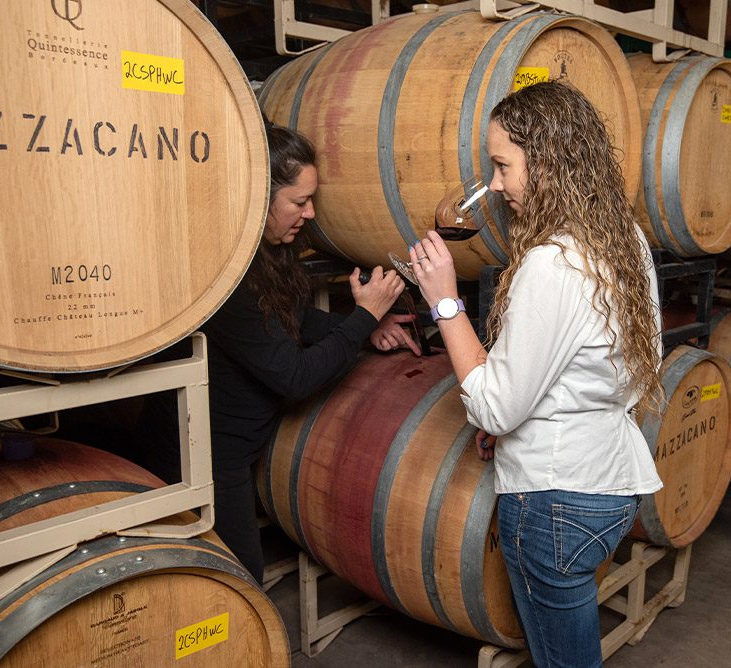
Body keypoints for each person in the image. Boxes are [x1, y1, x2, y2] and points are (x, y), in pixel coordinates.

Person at [409, 81, 664, 667]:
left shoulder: (552, 263)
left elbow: (496, 406)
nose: (495, 185)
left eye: (502, 166)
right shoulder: (624, 240)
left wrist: (445, 301)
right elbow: (608, 369)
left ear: (547, 163)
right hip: (609, 481)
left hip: (556, 498)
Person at [145, 125, 420, 583]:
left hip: (231, 449)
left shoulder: (267, 251)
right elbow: (293, 376)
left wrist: (366, 328)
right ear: (259, 197)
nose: (310, 213)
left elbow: (289, 319)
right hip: (203, 457)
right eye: (299, 202)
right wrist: (363, 318)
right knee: (238, 583)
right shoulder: (226, 275)